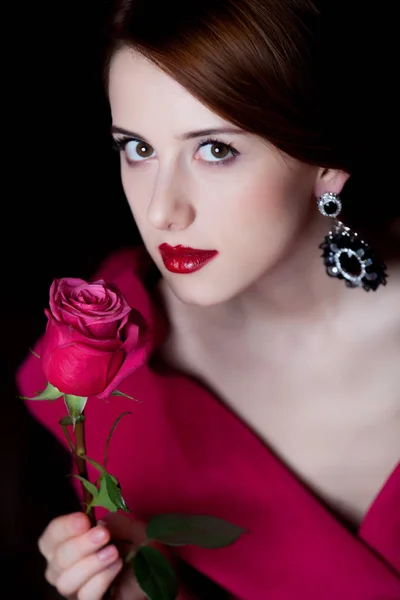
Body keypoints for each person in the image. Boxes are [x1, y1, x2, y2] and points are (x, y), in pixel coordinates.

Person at [17, 0, 400, 598]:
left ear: (325, 161)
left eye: (215, 150)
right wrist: (135, 589)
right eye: (138, 149)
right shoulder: (109, 354)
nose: (161, 210)